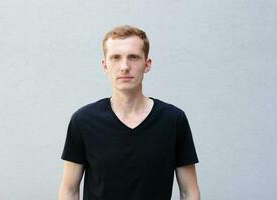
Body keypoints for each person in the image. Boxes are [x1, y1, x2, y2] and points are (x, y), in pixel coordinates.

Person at [58, 25, 200, 200]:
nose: (124, 66)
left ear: (147, 64)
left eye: (133, 57)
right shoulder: (83, 121)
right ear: (105, 65)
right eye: (116, 58)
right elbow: (69, 190)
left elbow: (189, 192)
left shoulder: (173, 120)